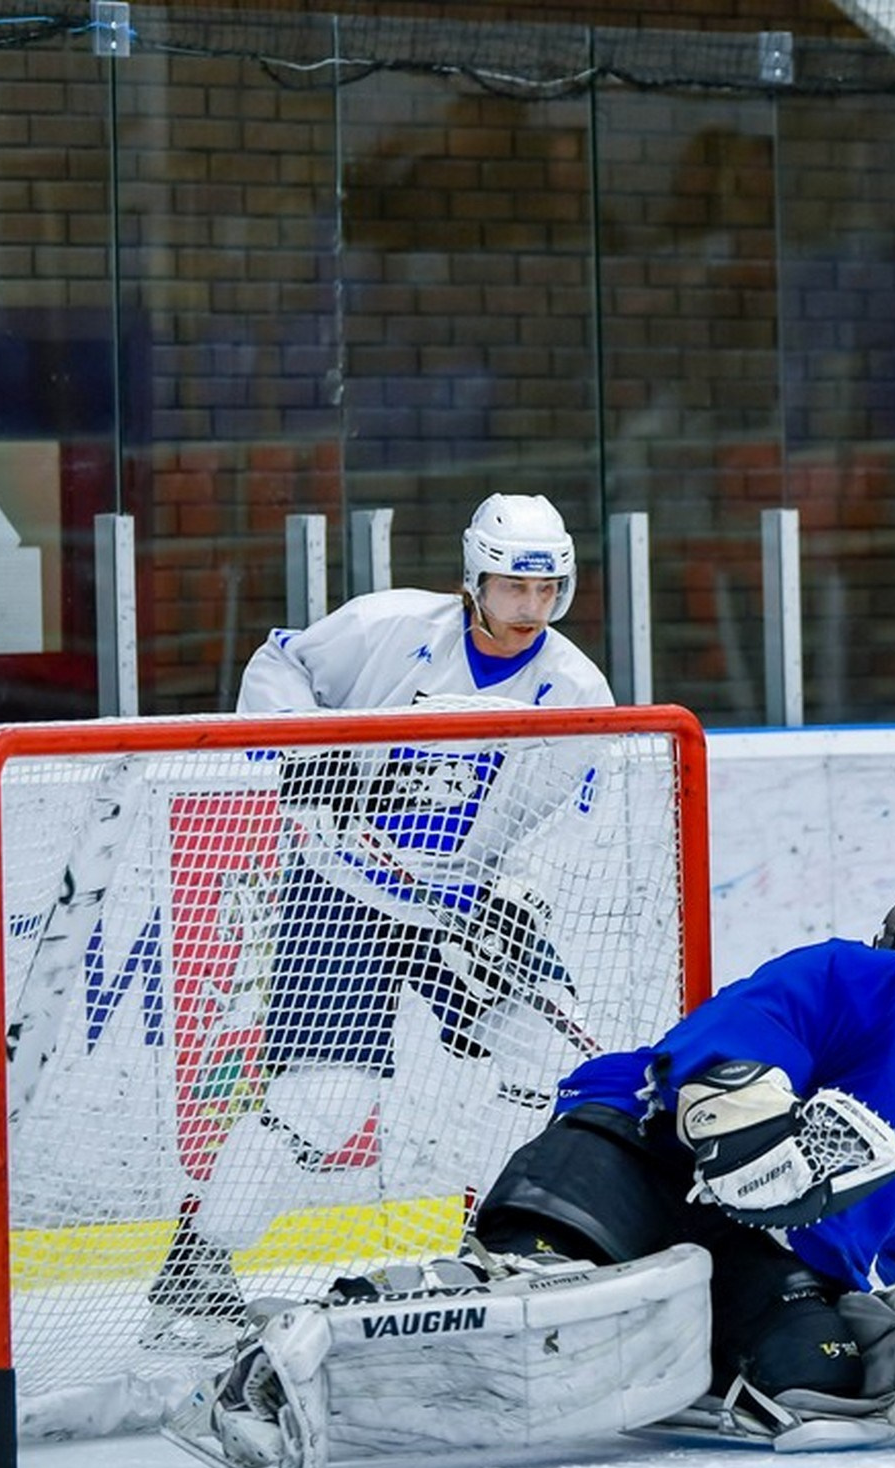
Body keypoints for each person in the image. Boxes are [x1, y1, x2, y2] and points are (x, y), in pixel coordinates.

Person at [163, 883, 895, 1468]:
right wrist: (738, 1102)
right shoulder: (885, 989)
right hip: (640, 1153)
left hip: (751, 1254)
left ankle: (654, 1346)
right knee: (533, 1275)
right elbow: (762, 1014)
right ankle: (342, 1335)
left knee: (818, 1361)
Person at [144, 494, 615, 1343]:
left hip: (473, 902)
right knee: (328, 1097)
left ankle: (497, 1244)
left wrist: (520, 903)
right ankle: (195, 1273)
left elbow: (569, 827)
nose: (529, 611)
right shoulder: (391, 627)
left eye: (547, 593)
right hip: (344, 888)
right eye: (513, 590)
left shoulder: (574, 688)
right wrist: (309, 753)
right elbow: (278, 663)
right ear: (474, 578)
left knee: (546, 1055)